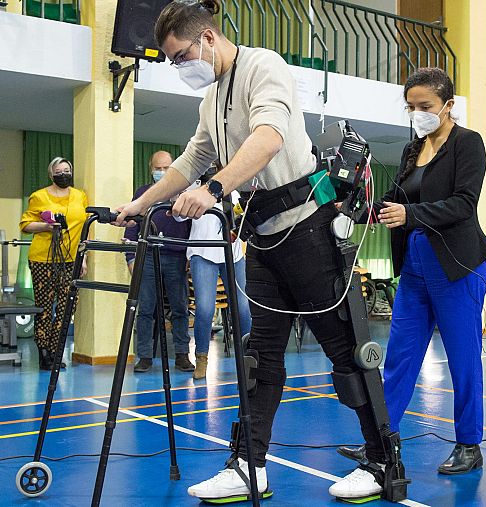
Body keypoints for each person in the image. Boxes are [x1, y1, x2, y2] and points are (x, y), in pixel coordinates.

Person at [116, 0, 389, 500]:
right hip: (263, 237)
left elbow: (267, 137)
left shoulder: (265, 66)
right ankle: (249, 466)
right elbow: (192, 158)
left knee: (345, 353)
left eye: (180, 57)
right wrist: (139, 204)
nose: (180, 68)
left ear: (207, 39)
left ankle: (380, 463)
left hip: (307, 230)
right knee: (260, 357)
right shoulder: (211, 98)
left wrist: (214, 189)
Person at [338, 67, 486, 475]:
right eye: (411, 107)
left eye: (424, 106)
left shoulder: (468, 144)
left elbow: (464, 203)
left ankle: (469, 443)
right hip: (415, 263)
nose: (417, 113)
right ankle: (380, 441)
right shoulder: (413, 149)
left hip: (457, 265)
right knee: (400, 358)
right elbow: (394, 201)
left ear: (448, 105)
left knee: (463, 360)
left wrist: (409, 214)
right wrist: (356, 211)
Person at [123, 151, 194, 374]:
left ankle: (182, 354)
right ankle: (144, 356)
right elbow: (132, 226)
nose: (161, 173)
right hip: (148, 257)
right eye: (158, 168)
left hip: (176, 257)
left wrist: (190, 257)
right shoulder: (144, 193)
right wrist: (131, 258)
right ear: (150, 168)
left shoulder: (184, 193)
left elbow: (192, 228)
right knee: (145, 309)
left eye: (166, 168)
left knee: (180, 308)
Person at [19, 157, 89, 370]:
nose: (63, 175)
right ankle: (43, 352)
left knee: (68, 305)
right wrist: (46, 226)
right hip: (43, 258)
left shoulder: (80, 196)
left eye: (67, 171)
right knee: (45, 307)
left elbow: (85, 228)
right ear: (51, 175)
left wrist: (84, 257)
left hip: (71, 258)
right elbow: (25, 224)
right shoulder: (39, 196)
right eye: (59, 172)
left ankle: (57, 349)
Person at [186, 166, 251, 379]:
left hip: (232, 254)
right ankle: (202, 358)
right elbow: (179, 217)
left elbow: (244, 218)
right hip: (203, 253)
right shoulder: (194, 190)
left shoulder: (234, 191)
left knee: (243, 308)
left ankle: (247, 357)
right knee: (205, 309)